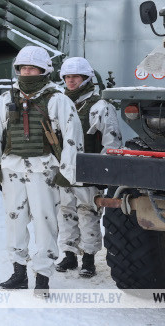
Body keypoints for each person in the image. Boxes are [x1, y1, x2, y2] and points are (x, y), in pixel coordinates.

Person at [0, 46, 83, 296]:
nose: (27, 72)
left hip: (44, 170)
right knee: (14, 221)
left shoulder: (57, 99)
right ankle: (18, 273)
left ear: (43, 70)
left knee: (45, 223)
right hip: (12, 168)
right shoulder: (6, 99)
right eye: (23, 68)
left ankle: (43, 278)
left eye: (32, 68)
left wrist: (67, 171)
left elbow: (73, 137)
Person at [55, 57, 122, 278]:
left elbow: (112, 142)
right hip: (63, 170)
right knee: (65, 212)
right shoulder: (59, 103)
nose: (70, 81)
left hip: (88, 169)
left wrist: (103, 171)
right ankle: (69, 254)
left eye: (75, 77)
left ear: (86, 78)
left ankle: (89, 258)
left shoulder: (100, 106)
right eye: (67, 77)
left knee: (88, 213)